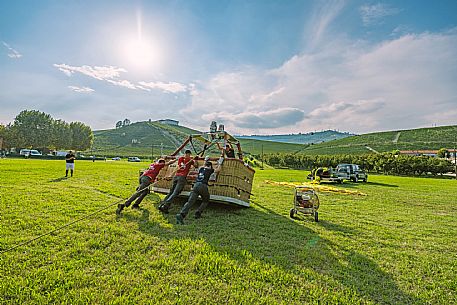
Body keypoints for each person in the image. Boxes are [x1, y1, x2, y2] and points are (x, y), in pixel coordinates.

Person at [176, 159, 222, 224]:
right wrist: (220, 163)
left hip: (196, 185)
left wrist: (206, 160)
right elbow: (218, 170)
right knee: (206, 200)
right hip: (203, 186)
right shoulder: (210, 170)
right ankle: (198, 212)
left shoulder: (201, 169)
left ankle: (181, 215)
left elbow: (204, 165)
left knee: (190, 202)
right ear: (210, 166)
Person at [158, 149, 197, 214]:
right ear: (189, 154)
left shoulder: (181, 158)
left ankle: (162, 204)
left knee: (171, 192)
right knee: (175, 193)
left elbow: (180, 165)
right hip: (182, 178)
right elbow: (196, 165)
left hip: (176, 176)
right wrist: (194, 160)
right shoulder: (190, 160)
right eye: (189, 155)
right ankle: (165, 205)